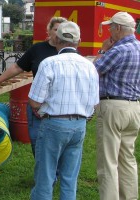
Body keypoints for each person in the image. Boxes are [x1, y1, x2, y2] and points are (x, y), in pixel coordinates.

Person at [28, 21, 99, 200]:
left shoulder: (49, 63)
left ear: (56, 39)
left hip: (53, 122)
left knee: (45, 176)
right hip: (79, 124)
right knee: (69, 178)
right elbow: (94, 104)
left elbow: (34, 101)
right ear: (79, 41)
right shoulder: (90, 66)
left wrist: (43, 111)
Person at [0, 17, 67, 157]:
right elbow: (17, 67)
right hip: (37, 105)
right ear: (49, 31)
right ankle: (43, 172)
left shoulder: (67, 52)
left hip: (59, 105)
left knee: (57, 143)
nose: (58, 33)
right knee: (37, 142)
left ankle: (53, 173)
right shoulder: (38, 49)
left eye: (62, 30)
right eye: (55, 29)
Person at [93, 12, 140, 200]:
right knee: (127, 159)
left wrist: (103, 50)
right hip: (134, 107)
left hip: (113, 106)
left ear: (118, 28)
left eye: (111, 27)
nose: (109, 30)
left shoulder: (118, 51)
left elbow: (94, 71)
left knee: (108, 161)